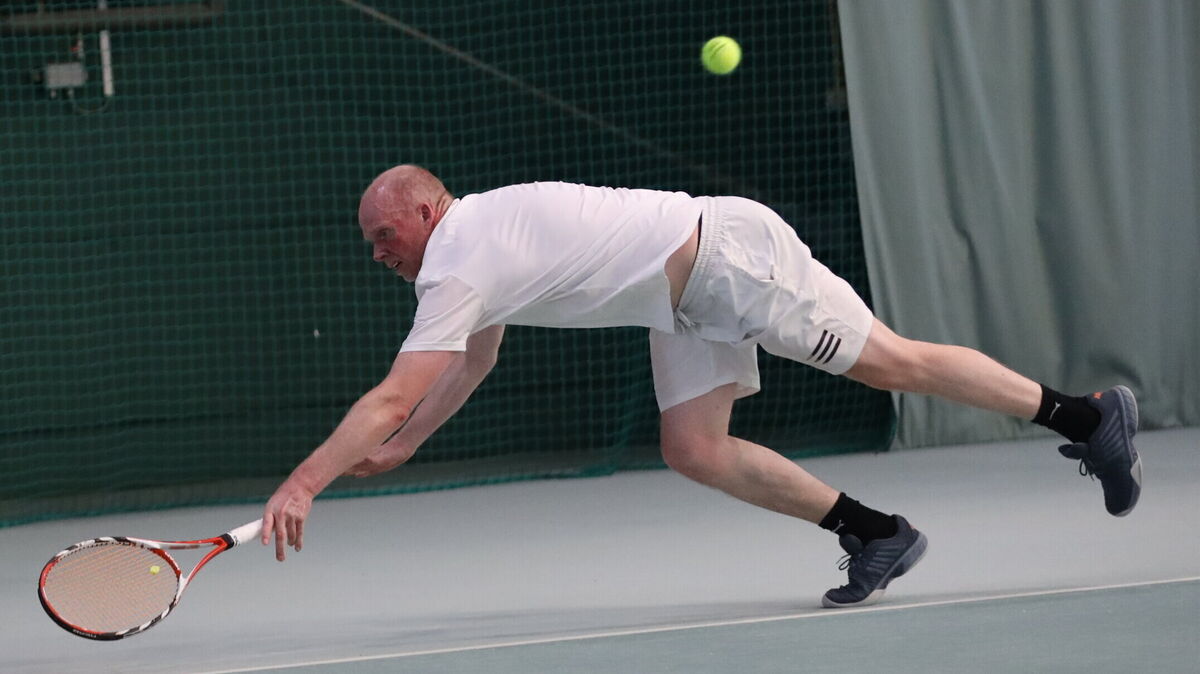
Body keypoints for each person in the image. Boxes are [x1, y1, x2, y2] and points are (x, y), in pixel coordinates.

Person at [262, 165, 1142, 608]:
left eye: (385, 235)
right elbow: (472, 359)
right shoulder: (471, 250)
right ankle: (877, 534)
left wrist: (305, 483)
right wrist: (409, 444)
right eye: (370, 243)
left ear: (425, 211)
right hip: (681, 299)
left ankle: (1087, 415)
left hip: (728, 260)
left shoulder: (457, 256)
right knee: (692, 448)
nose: (378, 253)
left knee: (892, 362)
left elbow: (392, 392)